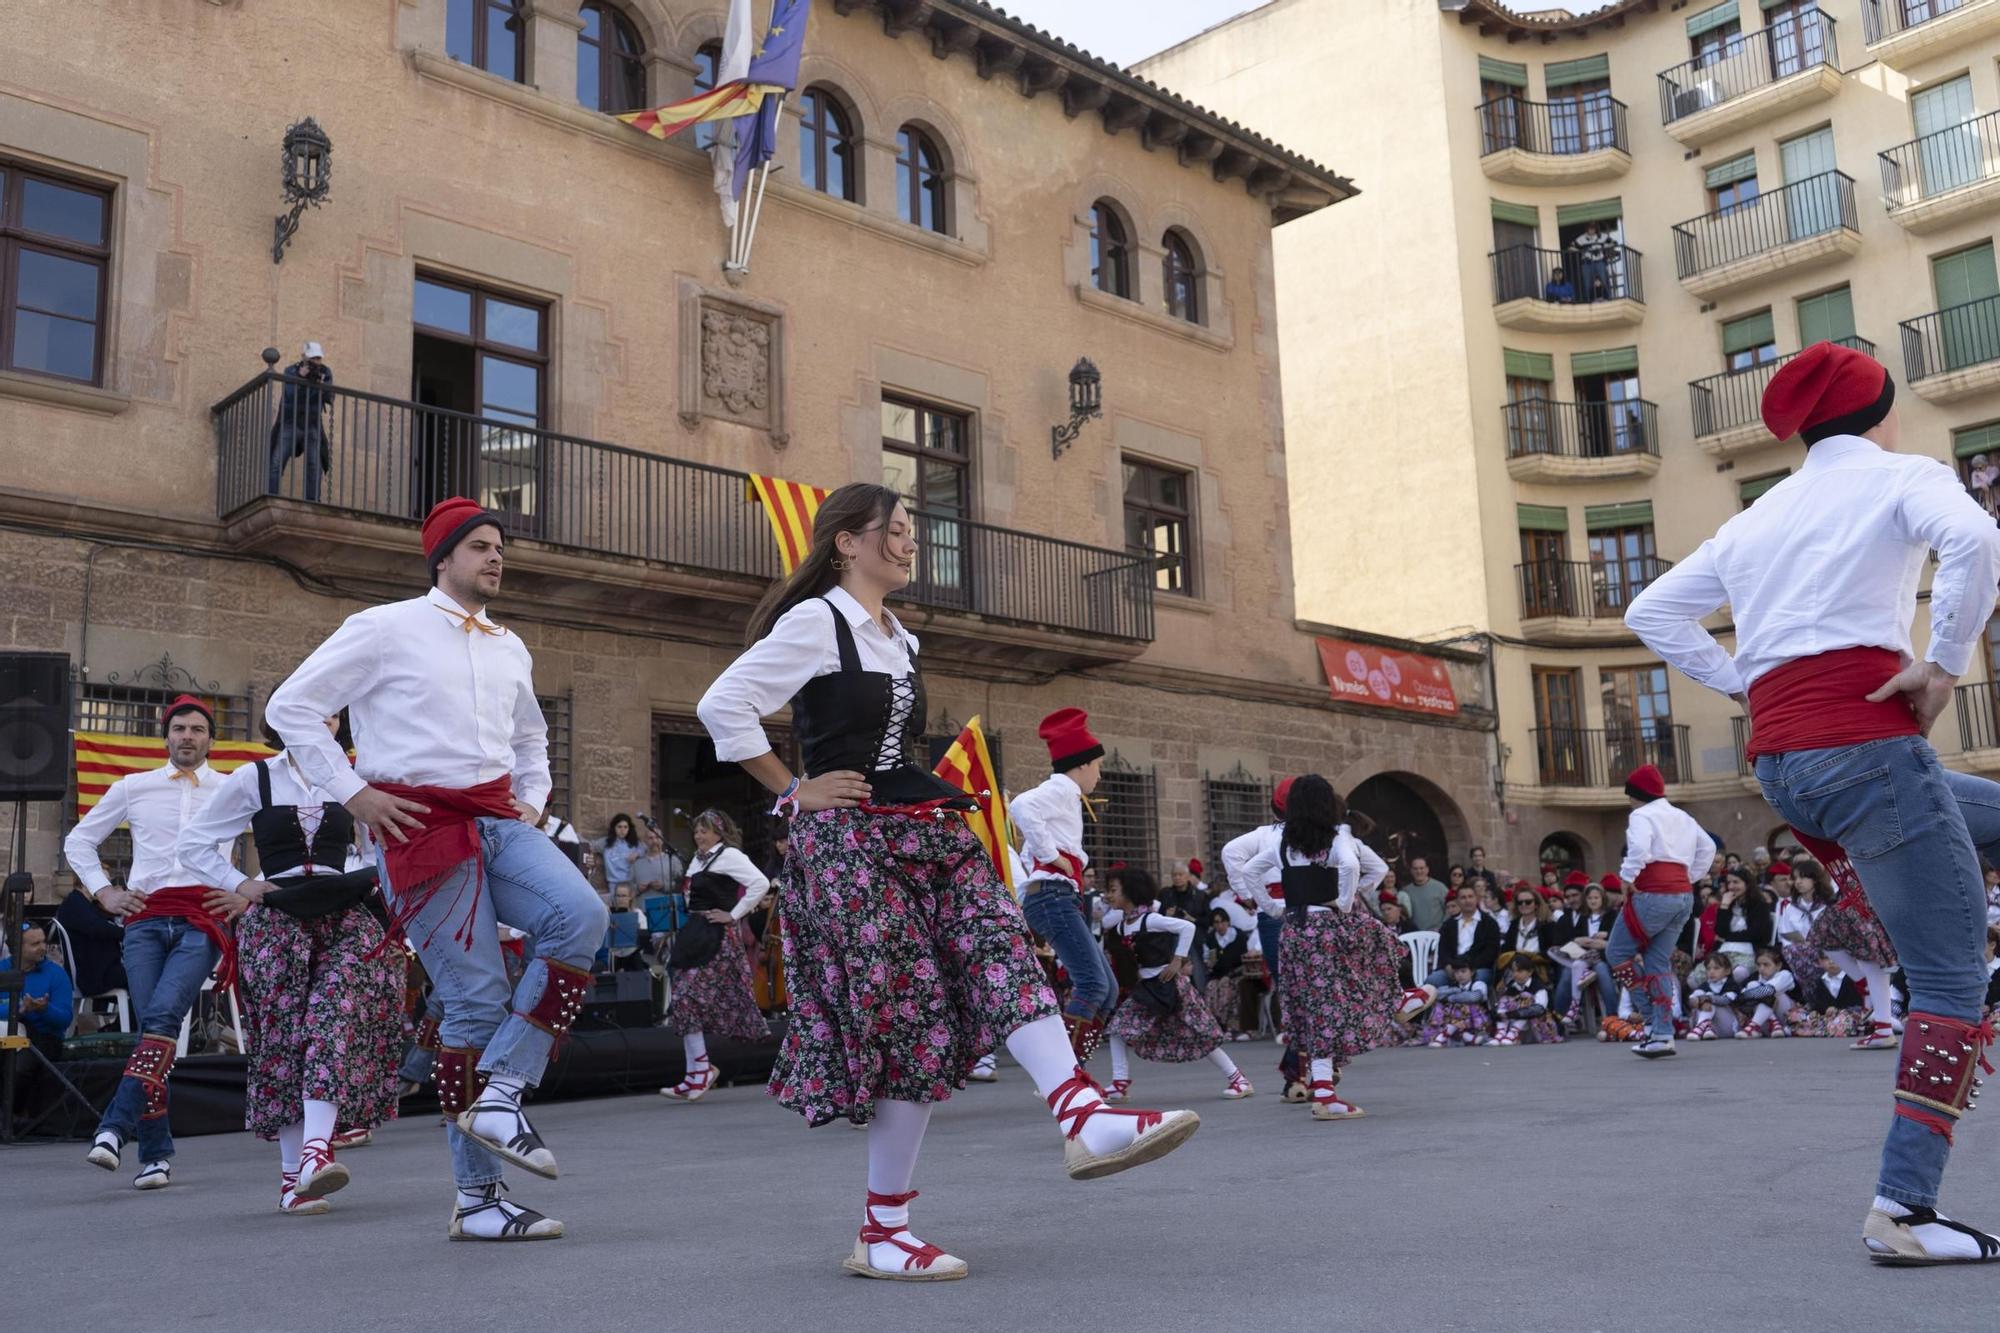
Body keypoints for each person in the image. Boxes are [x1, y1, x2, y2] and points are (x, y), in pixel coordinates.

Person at [693, 483, 1197, 1281]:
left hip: (922, 827)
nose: (907, 542)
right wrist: (794, 788)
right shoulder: (817, 620)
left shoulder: (901, 637)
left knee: (1004, 949)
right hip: (851, 846)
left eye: (909, 531)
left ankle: (1083, 1113)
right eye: (891, 531)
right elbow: (723, 705)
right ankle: (883, 1230)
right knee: (912, 1017)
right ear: (845, 544)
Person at [1625, 340, 2000, 1263]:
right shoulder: (1903, 474)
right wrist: (1945, 663)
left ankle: (1907, 1206)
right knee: (1952, 980)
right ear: (1880, 408)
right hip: (1869, 749)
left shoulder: (1758, 516)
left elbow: (1652, 613)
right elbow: (1978, 538)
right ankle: (1904, 1209)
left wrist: (1747, 682)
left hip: (1790, 766)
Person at [265, 496, 608, 1241]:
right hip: (417, 829)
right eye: (480, 545)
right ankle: (479, 1199)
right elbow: (291, 706)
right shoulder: (383, 627)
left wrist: (533, 802)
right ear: (443, 557)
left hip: (494, 819)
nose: (496, 558)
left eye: (500, 547)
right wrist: (355, 793)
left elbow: (532, 740)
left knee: (582, 915)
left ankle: (506, 1089)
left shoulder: (509, 645)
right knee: (476, 1001)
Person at [174, 713, 403, 1216]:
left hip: (341, 909)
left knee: (332, 1017)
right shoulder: (255, 777)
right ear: (283, 717)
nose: (322, 719)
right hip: (277, 916)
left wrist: (372, 879)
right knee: (282, 1040)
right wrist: (241, 883)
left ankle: (316, 1152)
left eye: (331, 713)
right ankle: (292, 1179)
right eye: (309, 708)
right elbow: (192, 844)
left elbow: (378, 847)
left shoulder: (352, 778)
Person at [67, 694, 233, 1191]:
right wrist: (105, 892)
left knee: (161, 1018)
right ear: (166, 736)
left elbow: (270, 839)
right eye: (179, 728)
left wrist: (244, 891)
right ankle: (156, 1155)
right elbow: (79, 840)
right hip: (143, 918)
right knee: (153, 1032)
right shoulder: (134, 787)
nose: (187, 736)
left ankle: (114, 1129)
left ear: (209, 739)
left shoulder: (232, 789)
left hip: (202, 919)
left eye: (197, 729)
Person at [1268, 775, 1402, 1120]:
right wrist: (1346, 899)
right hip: (1325, 926)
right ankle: (1403, 999)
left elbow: (1246, 868)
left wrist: (1270, 907)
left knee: (1314, 1008)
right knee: (1380, 950)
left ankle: (1324, 1086)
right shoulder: (1337, 836)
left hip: (1294, 930)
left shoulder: (1281, 840)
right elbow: (1355, 865)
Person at [1009, 708, 1120, 1062]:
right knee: (1093, 984)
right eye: (1099, 767)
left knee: (1108, 988)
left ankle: (1074, 1071)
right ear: (1083, 764)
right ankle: (1067, 1077)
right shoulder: (1060, 787)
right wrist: (1051, 855)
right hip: (1052, 897)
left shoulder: (1067, 794)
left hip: (1058, 898)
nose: (1099, 776)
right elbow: (1021, 806)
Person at [1099, 869, 1250, 1103]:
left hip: (1170, 987)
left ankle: (1238, 1078)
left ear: (1130, 892)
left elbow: (1187, 928)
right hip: (1146, 990)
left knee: (1198, 1034)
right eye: (1108, 890)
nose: (1109, 895)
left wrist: (1178, 959)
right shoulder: (1121, 926)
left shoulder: (1151, 919)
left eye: (1113, 890)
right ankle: (1119, 1084)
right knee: (1118, 1029)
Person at [660, 809, 771, 1102]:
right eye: (697, 831)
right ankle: (695, 1072)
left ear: (719, 833)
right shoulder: (699, 859)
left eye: (705, 831)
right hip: (695, 930)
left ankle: (699, 1073)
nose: (699, 836)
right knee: (682, 999)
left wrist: (733, 914)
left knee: (688, 997)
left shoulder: (730, 856)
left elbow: (760, 883)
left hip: (717, 935)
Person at [1605, 763, 1715, 1059]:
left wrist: (1627, 876)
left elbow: (1638, 849)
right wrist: (1689, 878)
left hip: (1652, 893)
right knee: (1657, 959)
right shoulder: (1682, 816)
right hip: (1682, 896)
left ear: (1637, 794)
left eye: (1630, 796)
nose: (1629, 801)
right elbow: (1708, 849)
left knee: (1616, 952)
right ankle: (1663, 1035)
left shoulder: (1641, 815)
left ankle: (1653, 1022)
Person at [268, 340, 334, 502]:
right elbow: (290, 395)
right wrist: (300, 378)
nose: (315, 362)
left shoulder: (325, 372)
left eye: (318, 358)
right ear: (303, 357)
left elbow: (329, 398)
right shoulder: (291, 370)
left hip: (312, 423)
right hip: (291, 422)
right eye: (312, 358)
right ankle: (271, 497)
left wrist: (321, 384)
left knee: (314, 464)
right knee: (276, 461)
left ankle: (313, 501)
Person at [1, 924, 74, 1064]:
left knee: (18, 1068)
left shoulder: (56, 974)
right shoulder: (2, 970)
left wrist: (44, 1009)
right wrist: (19, 1008)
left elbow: (65, 1019)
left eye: (44, 941)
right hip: (5, 1036)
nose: (43, 947)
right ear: (16, 947)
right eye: (35, 944)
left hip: (43, 1039)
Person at [1428, 885, 1500, 989]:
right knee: (1432, 981)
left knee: (1478, 982)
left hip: (1478, 968)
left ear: (1477, 899)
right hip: (1452, 968)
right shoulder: (1449, 924)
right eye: (1463, 897)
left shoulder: (1489, 923)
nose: (1467, 901)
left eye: (1470, 896)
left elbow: (1491, 952)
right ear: (1457, 901)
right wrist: (1449, 966)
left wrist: (1468, 968)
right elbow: (1443, 950)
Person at [1487, 954, 1561, 1046]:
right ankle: (1501, 1033)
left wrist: (1516, 1013)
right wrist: (1499, 1012)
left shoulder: (1539, 987)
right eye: (1513, 971)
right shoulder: (1512, 986)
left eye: (1520, 971)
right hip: (1519, 1024)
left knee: (1526, 1002)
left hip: (1538, 1024)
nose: (1515, 974)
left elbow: (1539, 1009)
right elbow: (1504, 1004)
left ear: (1530, 972)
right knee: (1505, 1002)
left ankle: (1512, 1033)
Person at [1417, 964, 1490, 1047]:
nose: (1460, 975)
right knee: (1439, 1005)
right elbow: (1437, 995)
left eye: (1463, 971)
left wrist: (1451, 997)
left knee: (1461, 1005)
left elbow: (1474, 997)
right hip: (1456, 1022)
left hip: (1475, 1021)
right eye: (1456, 972)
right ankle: (1465, 1036)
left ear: (1472, 972)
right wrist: (1456, 992)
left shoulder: (1478, 984)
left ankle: (1445, 1035)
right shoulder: (1453, 986)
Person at [1736, 948, 1797, 1038]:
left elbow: (1768, 990)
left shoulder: (1785, 974)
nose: (1761, 968)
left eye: (1766, 965)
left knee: (1770, 993)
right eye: (1758, 965)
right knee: (1753, 985)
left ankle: (1752, 1026)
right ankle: (1773, 1024)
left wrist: (1743, 997)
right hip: (1765, 1022)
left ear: (1778, 965)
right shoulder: (1755, 978)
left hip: (1787, 1019)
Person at [1687, 953, 1742, 1041]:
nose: (1711, 972)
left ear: (1727, 971)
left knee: (1710, 1000)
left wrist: (1707, 999)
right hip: (1713, 1026)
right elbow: (1692, 999)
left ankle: (1699, 1027)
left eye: (1716, 968)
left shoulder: (1731, 985)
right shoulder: (1705, 985)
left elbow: (1725, 1000)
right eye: (1708, 969)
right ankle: (1707, 1028)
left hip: (1728, 1026)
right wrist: (1697, 1001)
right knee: (1701, 998)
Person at [1401, 856, 1449, 933]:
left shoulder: (1440, 887)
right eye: (1415, 869)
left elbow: (1449, 910)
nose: (1419, 871)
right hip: (1415, 934)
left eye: (1421, 868)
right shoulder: (1406, 891)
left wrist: (1442, 927)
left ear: (1427, 869)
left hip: (1437, 933)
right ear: (1411, 871)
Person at [599, 813, 642, 898]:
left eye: (625, 827)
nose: (622, 830)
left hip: (630, 883)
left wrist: (637, 853)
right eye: (619, 827)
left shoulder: (634, 844)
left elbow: (646, 849)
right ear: (614, 828)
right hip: (613, 883)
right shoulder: (606, 843)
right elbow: (590, 845)